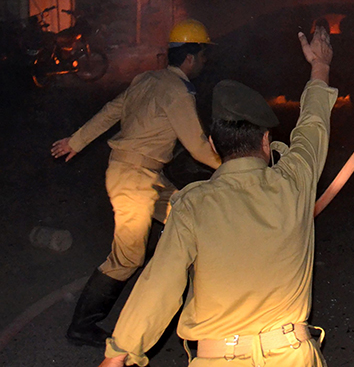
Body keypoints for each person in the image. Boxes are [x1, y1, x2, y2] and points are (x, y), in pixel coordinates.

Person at [97, 23, 337, 367]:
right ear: (266, 142)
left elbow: (160, 284)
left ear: (213, 145)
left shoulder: (192, 205)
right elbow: (313, 124)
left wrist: (120, 352)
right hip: (291, 356)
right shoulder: (294, 181)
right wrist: (320, 67)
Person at [52, 19, 222, 347]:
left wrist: (77, 141)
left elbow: (110, 111)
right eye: (203, 56)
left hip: (144, 176)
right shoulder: (176, 91)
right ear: (190, 57)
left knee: (190, 219)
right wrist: (237, 168)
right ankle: (82, 326)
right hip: (134, 179)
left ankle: (206, 309)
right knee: (127, 258)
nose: (204, 63)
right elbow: (198, 145)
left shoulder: (148, 79)